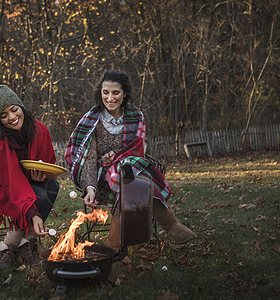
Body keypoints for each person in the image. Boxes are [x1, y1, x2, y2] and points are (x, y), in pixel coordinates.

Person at [65, 70, 194, 249]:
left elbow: (137, 150)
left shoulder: (136, 116)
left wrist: (117, 157)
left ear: (124, 93)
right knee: (129, 180)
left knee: (128, 176)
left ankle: (115, 247)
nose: (110, 98)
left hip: (131, 170)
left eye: (115, 93)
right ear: (100, 92)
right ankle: (171, 225)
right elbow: (88, 160)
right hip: (102, 178)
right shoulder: (91, 120)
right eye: (105, 92)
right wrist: (90, 188)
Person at [0, 85, 59, 269]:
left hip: (21, 181)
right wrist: (33, 214)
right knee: (40, 196)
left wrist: (41, 175)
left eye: (14, 110)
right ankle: (7, 247)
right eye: (4, 116)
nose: (12, 118)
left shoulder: (39, 129)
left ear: (20, 106)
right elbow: (9, 179)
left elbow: (48, 164)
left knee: (52, 185)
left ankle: (26, 243)